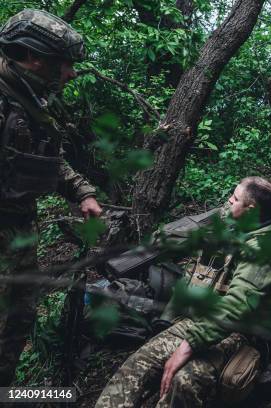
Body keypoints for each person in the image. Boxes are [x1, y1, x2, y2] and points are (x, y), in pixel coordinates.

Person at [96, 177, 271, 407]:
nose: (229, 200)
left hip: (237, 331)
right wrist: (167, 321)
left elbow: (238, 305)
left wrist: (189, 344)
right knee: (135, 368)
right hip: (194, 321)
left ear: (251, 209)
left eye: (235, 198)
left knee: (183, 382)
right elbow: (193, 274)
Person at [0, 9, 102, 385]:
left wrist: (82, 192)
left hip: (19, 232)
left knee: (17, 322)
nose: (71, 73)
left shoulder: (29, 98)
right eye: (64, 65)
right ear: (33, 57)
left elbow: (45, 155)